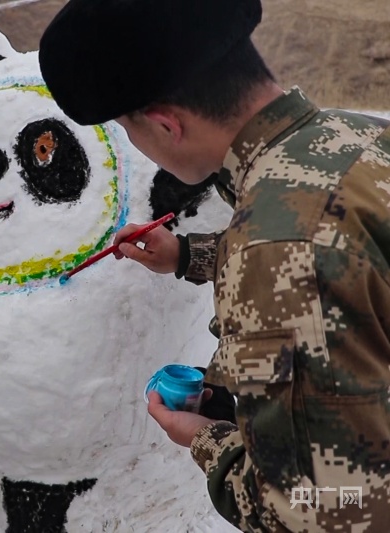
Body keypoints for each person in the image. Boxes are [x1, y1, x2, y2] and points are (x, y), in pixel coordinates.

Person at [40, 0, 390, 531]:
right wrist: (187, 255)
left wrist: (204, 439)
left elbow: (325, 512)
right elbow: (343, 249)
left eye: (128, 129)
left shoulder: (274, 249)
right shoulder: (361, 137)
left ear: (164, 124)